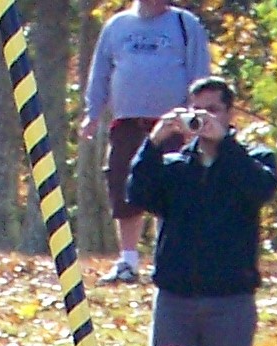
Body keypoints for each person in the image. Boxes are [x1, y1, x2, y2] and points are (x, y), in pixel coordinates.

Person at [128, 77, 275, 346]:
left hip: (230, 302)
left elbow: (259, 189)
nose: (204, 118)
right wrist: (154, 143)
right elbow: (137, 195)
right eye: (197, 110)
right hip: (176, 298)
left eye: (213, 110)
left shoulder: (253, 160)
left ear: (230, 115)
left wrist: (223, 145)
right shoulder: (175, 168)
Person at [80, 0, 209, 286]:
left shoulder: (185, 24)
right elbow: (100, 72)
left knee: (173, 191)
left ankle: (168, 260)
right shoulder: (117, 25)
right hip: (128, 124)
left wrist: (196, 119)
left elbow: (201, 74)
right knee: (124, 188)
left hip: (173, 124)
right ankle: (127, 261)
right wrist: (92, 114)